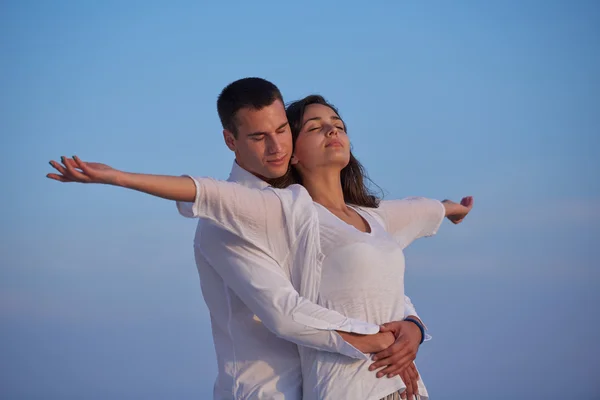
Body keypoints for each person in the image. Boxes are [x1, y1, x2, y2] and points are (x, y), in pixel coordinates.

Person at [47, 79, 472, 399]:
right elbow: (284, 312)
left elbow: (383, 259)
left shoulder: (312, 210)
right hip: (267, 392)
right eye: (257, 137)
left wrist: (412, 328)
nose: (275, 148)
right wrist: (381, 339)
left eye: (282, 131)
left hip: (342, 381)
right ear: (231, 140)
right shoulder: (232, 219)